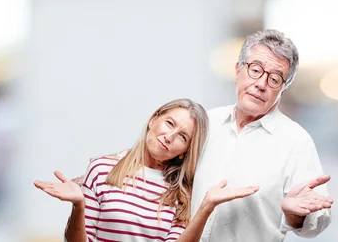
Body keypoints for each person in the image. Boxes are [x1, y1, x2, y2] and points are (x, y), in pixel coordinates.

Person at [34, 99, 259, 242]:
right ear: (153, 120)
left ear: (184, 151)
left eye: (182, 137)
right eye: (169, 123)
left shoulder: (181, 194)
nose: (169, 137)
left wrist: (207, 206)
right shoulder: (102, 169)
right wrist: (79, 205)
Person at [190, 29, 333, 242]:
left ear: (282, 90)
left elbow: (318, 220)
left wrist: (295, 216)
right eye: (255, 70)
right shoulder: (206, 123)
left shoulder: (296, 142)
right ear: (238, 70)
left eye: (274, 79)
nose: (261, 84)